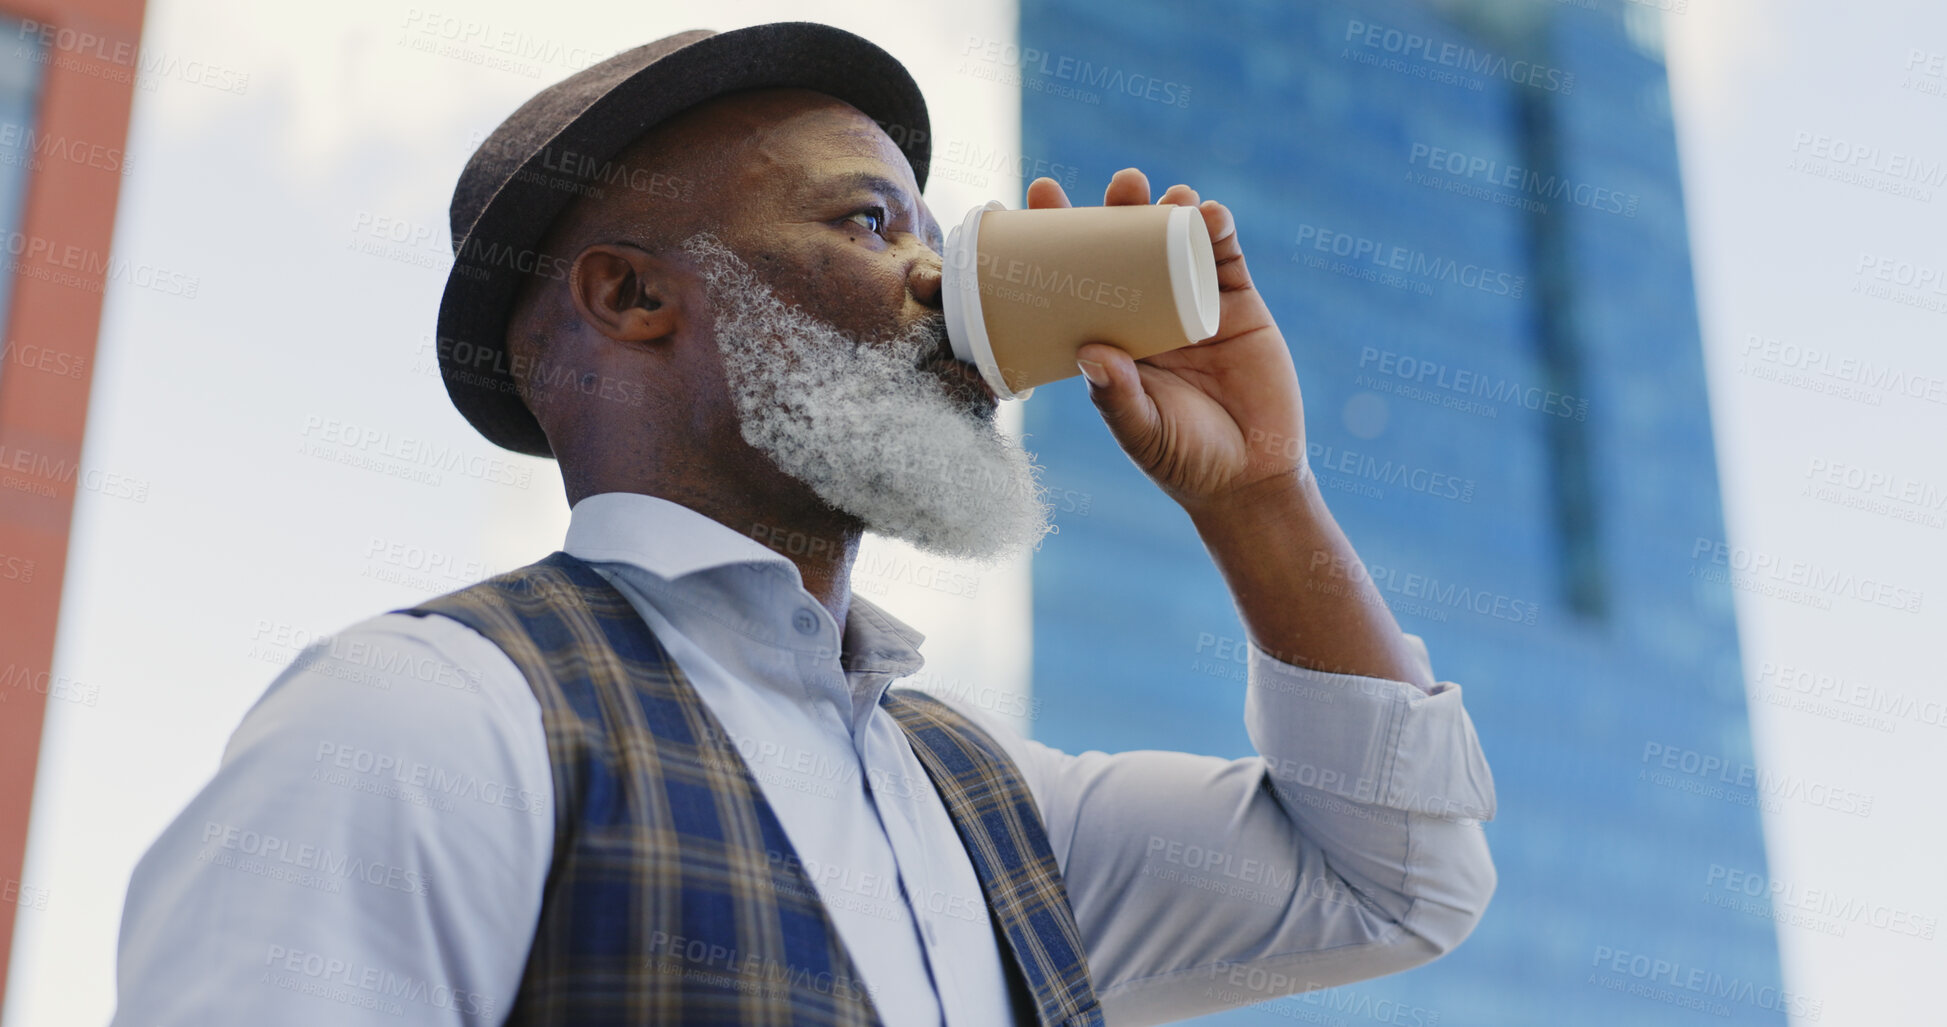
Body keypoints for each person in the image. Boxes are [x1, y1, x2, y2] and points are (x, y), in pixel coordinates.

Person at [111, 22, 1495, 1027]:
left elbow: (1394, 878)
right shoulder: (427, 719)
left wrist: (1260, 496)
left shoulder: (992, 812)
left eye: (935, 234)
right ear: (633, 299)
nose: (940, 281)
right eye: (871, 221)